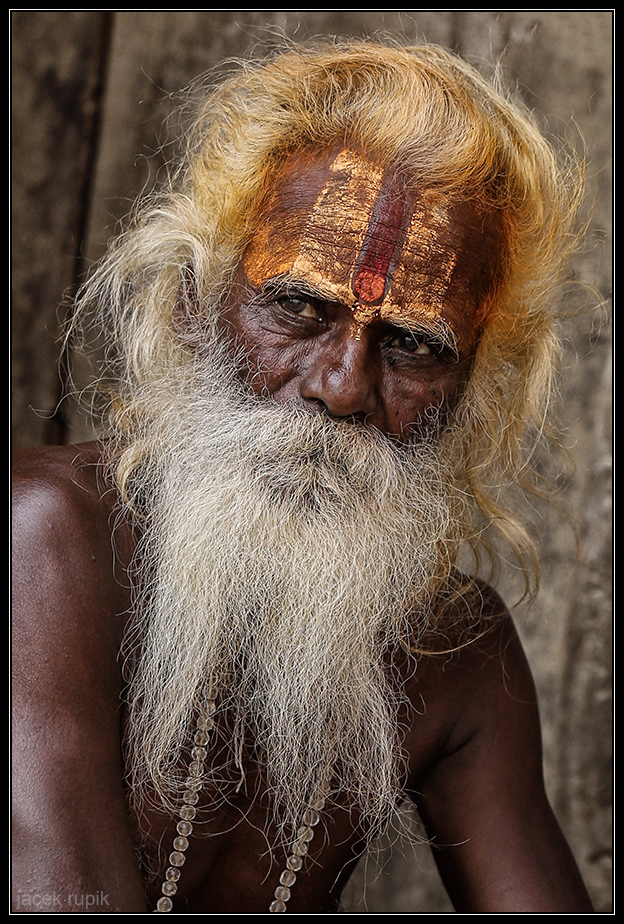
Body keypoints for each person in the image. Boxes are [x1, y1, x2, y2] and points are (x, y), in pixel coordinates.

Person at [12, 39, 595, 913]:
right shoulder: (43, 537)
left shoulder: (459, 653)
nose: (342, 387)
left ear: (472, 390)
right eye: (297, 306)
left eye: (414, 344)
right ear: (192, 303)